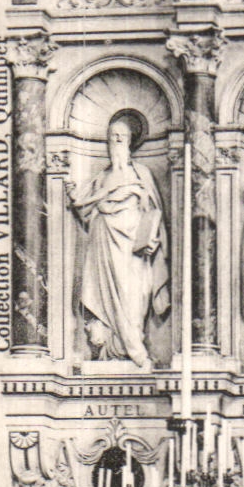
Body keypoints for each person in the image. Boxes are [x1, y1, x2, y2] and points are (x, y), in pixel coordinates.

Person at [67, 112, 169, 368]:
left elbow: (153, 211)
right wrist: (75, 197)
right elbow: (84, 211)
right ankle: (110, 350)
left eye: (121, 138)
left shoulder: (141, 173)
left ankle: (132, 349)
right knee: (104, 295)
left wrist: (153, 237)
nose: (116, 142)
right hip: (104, 242)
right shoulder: (101, 177)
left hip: (132, 247)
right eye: (112, 137)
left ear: (131, 142)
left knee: (133, 295)